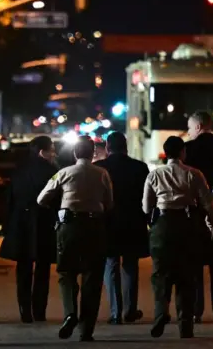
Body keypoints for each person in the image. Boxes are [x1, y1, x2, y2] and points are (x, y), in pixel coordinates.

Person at [143, 136, 213, 339]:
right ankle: (185, 325)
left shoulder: (154, 175)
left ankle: (161, 313)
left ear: (165, 153)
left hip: (162, 226)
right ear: (183, 152)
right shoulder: (194, 174)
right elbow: (209, 206)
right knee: (187, 277)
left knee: (160, 275)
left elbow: (146, 207)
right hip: (188, 225)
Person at [37, 136, 113, 342]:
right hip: (94, 227)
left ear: (74, 154)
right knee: (92, 277)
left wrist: (61, 206)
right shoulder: (102, 174)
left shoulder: (63, 173)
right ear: (93, 153)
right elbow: (109, 203)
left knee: (66, 273)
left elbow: (41, 199)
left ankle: (70, 313)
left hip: (68, 227)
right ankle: (86, 330)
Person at [0, 136, 58, 323]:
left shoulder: (19, 171)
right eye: (52, 149)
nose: (54, 153)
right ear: (43, 151)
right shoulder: (52, 172)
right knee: (43, 269)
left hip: (21, 223)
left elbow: (10, 200)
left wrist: (7, 226)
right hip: (44, 224)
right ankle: (39, 310)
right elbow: (57, 200)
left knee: (23, 269)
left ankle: (24, 310)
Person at [95, 132, 150, 325]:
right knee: (130, 266)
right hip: (133, 222)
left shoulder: (99, 168)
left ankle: (116, 312)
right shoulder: (140, 167)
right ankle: (130, 310)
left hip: (107, 223)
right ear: (126, 147)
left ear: (108, 148)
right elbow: (147, 197)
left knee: (110, 265)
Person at [185, 110, 213, 323]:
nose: (188, 132)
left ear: (197, 127)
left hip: (194, 212)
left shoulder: (188, 149)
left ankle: (196, 310)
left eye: (189, 128)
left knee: (194, 263)